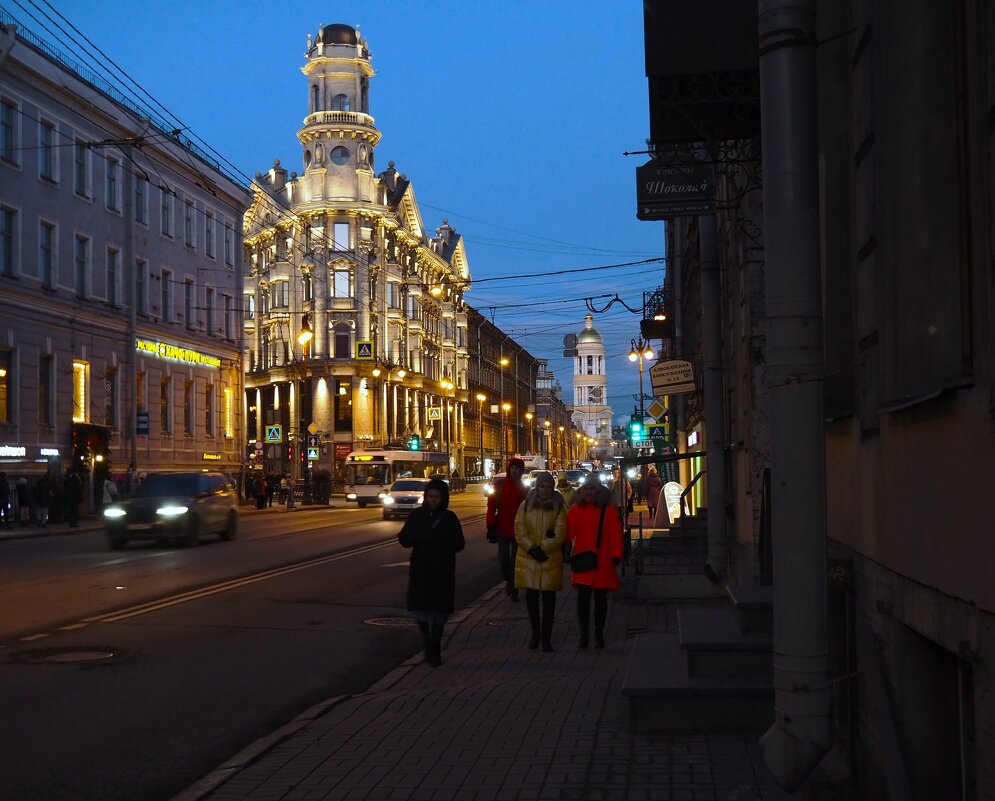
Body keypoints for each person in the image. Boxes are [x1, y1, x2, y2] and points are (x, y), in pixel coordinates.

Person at [397, 478, 466, 667]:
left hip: (442, 570)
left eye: (437, 497)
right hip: (421, 569)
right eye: (430, 496)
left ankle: (435, 648)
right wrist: (420, 537)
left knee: (439, 611)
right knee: (419, 608)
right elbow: (404, 539)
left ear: (443, 498)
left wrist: (443, 541)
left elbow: (459, 543)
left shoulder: (449, 517)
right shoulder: (417, 516)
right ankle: (427, 639)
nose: (433, 500)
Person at [566, 473, 624, 649]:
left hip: (602, 561)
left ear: (599, 491)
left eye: (593, 489)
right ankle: (584, 633)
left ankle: (598, 631)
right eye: (587, 489)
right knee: (583, 600)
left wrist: (616, 555)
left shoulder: (609, 510)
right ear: (582, 491)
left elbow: (616, 534)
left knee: (600, 600)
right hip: (584, 561)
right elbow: (568, 533)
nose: (589, 492)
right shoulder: (575, 510)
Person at [514, 471, 566, 652]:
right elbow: (519, 529)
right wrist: (531, 548)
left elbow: (561, 534)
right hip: (529, 560)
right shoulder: (526, 505)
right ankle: (535, 632)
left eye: (549, 487)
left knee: (549, 601)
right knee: (532, 599)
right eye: (542, 486)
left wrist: (543, 548)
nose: (545, 490)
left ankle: (546, 637)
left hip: (549, 560)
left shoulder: (558, 506)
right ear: (538, 487)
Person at [485, 457, 527, 601]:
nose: (514, 471)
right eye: (512, 468)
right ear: (509, 469)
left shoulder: (524, 488)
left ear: (521, 471)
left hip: (518, 530)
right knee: (503, 559)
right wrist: (490, 523)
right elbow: (491, 505)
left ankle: (513, 587)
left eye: (517, 468)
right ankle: (509, 580)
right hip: (503, 528)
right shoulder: (500, 484)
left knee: (515, 561)